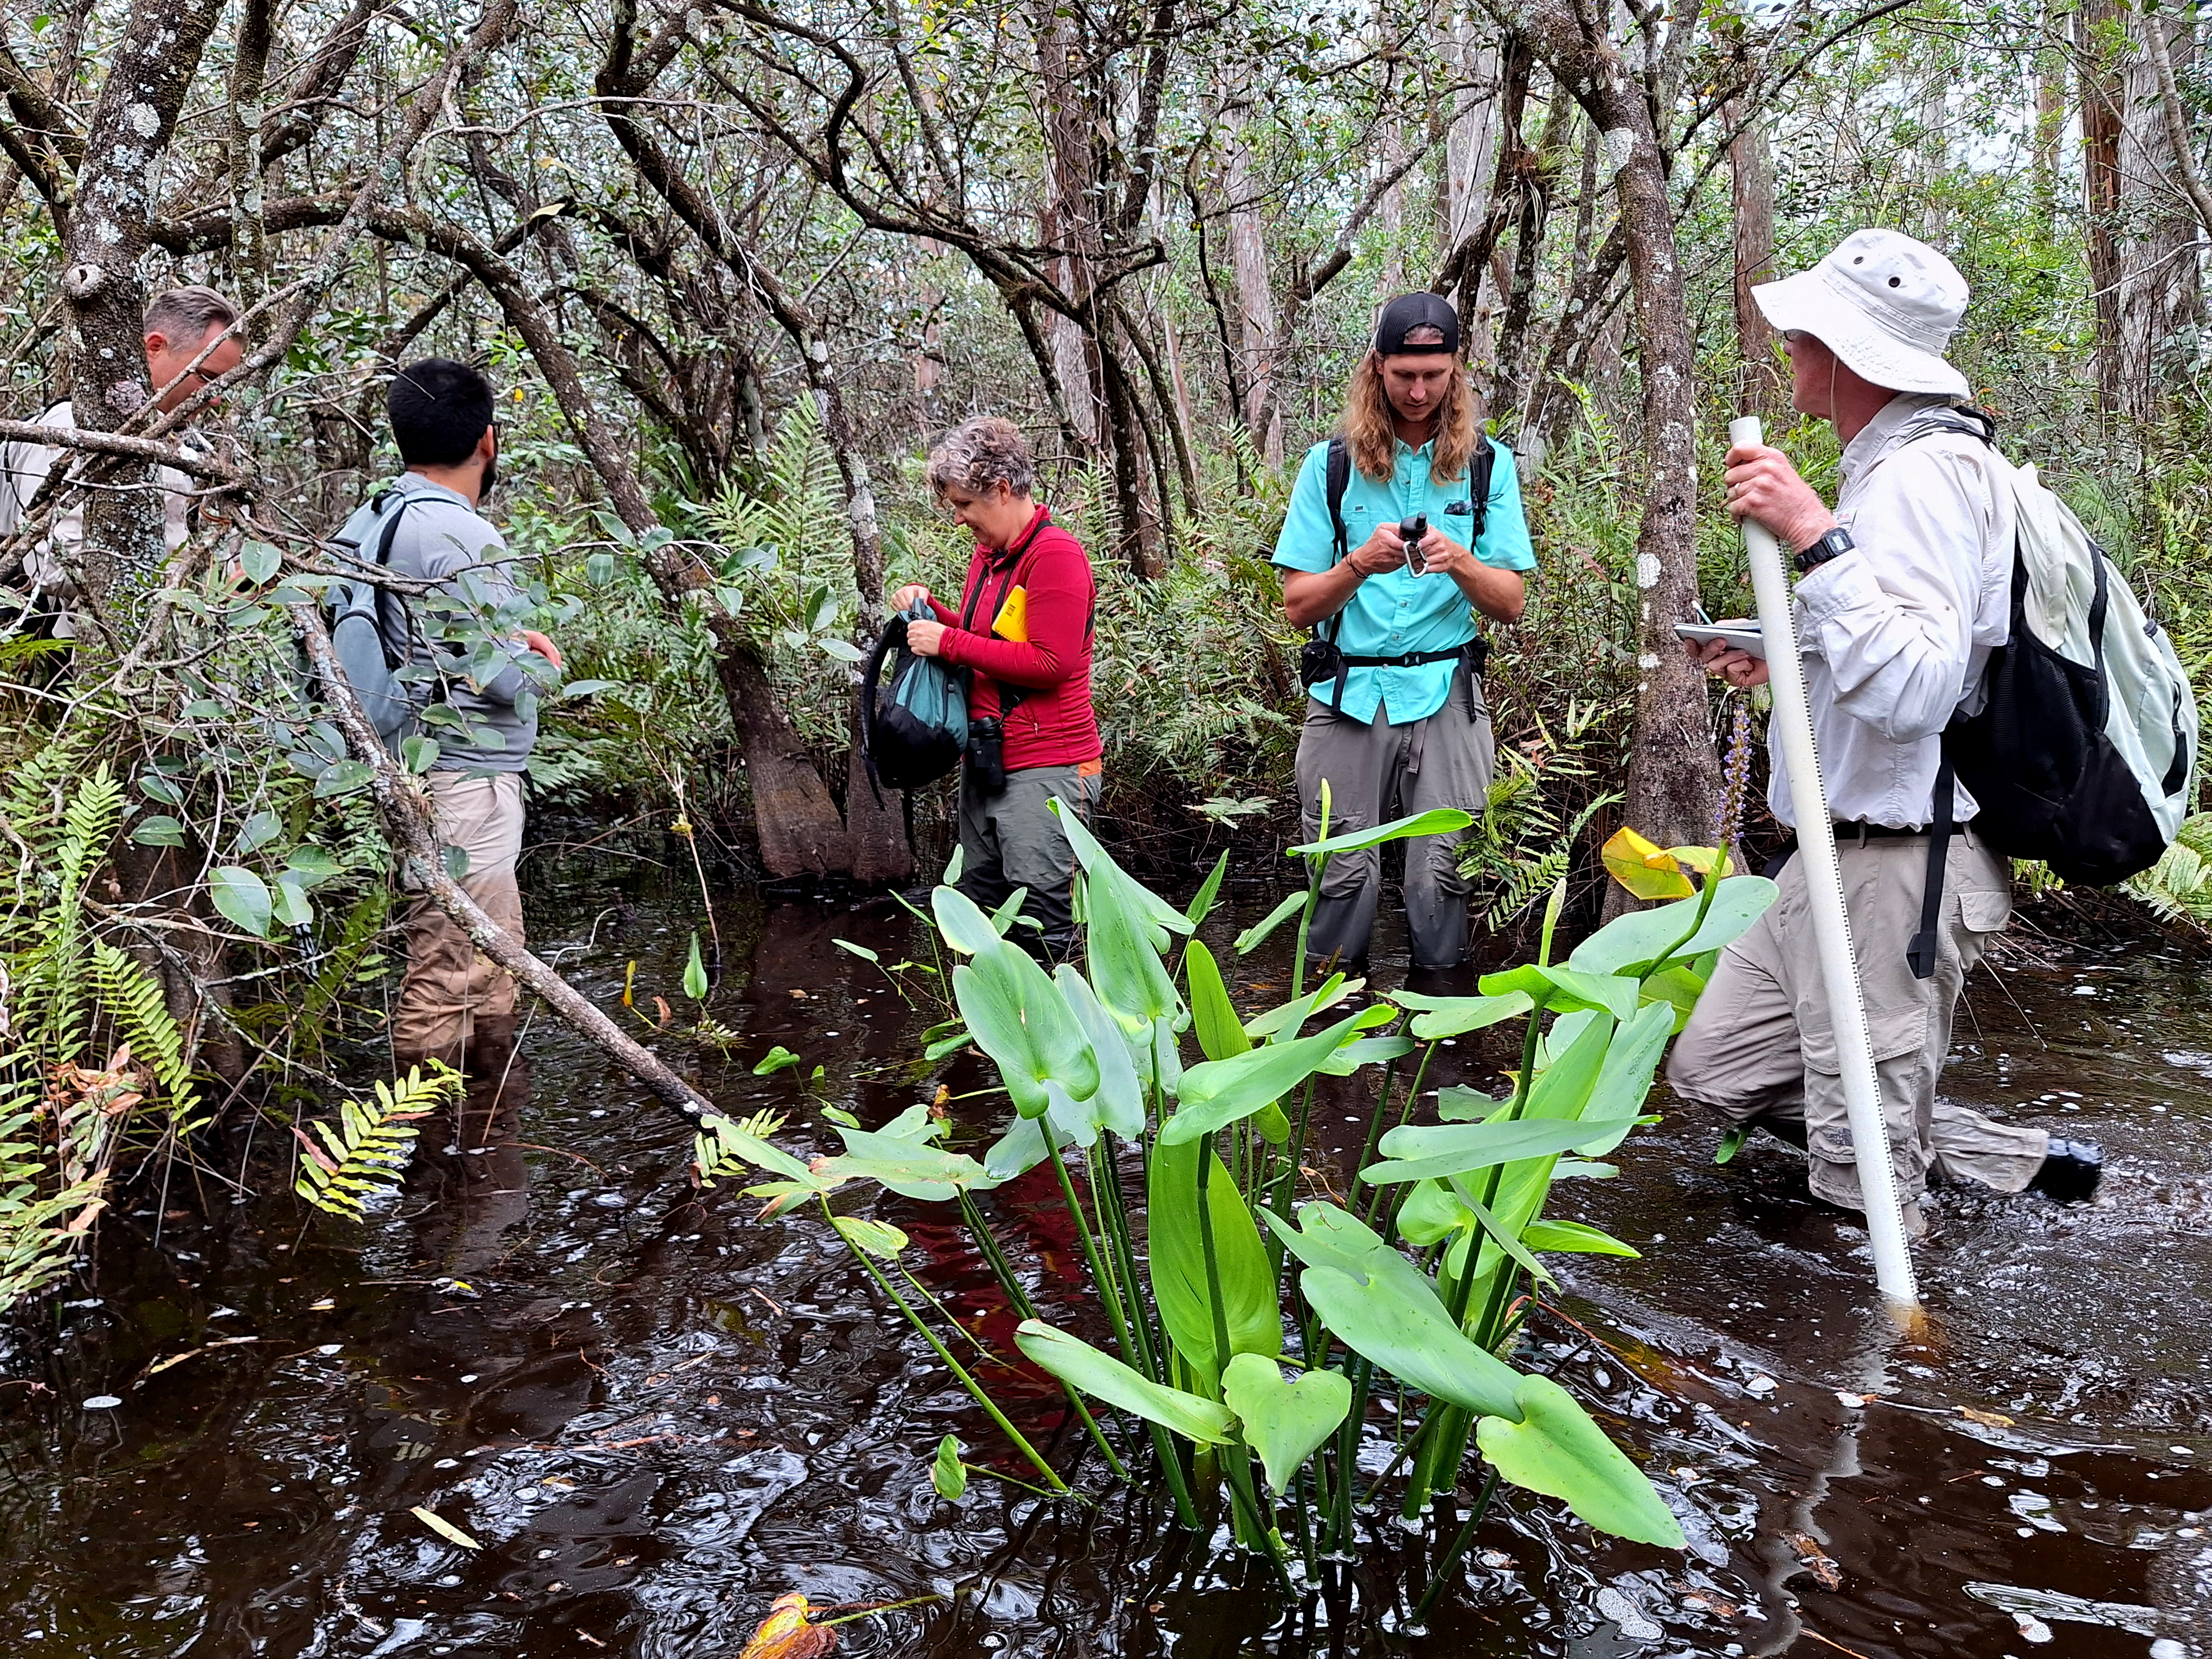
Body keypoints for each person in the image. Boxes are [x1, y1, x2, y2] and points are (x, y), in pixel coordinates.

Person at [1669, 228, 2102, 1225]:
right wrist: (1786, 655)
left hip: (1896, 865)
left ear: (1852, 352)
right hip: (1831, 859)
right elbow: (1904, 657)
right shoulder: (1889, 468)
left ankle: (1890, 1358)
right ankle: (2015, 1161)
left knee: (1859, 1175)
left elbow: (1917, 688)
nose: (1788, 352)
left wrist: (1815, 535)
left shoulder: (1927, 476)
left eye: (1803, 334)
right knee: (1717, 1065)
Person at [1271, 292, 1535, 972]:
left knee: (1442, 877)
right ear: (1377, 369)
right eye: (1403, 376)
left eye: (1434, 376)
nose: (1418, 392)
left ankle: (1441, 1038)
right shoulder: (1328, 466)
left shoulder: (1487, 465)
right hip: (1348, 692)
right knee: (1341, 875)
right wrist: (1362, 562)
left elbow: (1510, 601)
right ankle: (1329, 1050)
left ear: (1455, 373)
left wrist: (1459, 560)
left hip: (1447, 689)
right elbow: (1298, 604)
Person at [378, 357, 564, 1065]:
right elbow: (502, 680)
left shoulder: (381, 515)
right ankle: (432, 1153)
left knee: (492, 957)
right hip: (466, 780)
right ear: (487, 440)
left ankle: (489, 1120)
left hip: (420, 771)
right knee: (450, 969)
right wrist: (541, 661)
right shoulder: (465, 536)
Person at [891, 416, 1099, 960]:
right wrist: (930, 613)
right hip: (990, 763)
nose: (959, 520)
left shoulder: (1055, 556)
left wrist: (948, 643)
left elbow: (1051, 662)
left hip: (1048, 768)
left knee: (1044, 927)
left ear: (1002, 490)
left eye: (965, 505)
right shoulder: (989, 558)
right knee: (984, 914)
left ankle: (1069, 1039)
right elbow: (986, 638)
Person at [1, 285, 245, 632]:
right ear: (155, 347)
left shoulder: (195, 448)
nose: (215, 399)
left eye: (225, 385)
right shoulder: (69, 428)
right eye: (207, 378)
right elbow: (49, 564)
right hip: (59, 654)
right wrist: (182, 587)